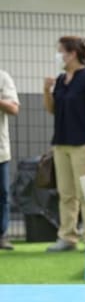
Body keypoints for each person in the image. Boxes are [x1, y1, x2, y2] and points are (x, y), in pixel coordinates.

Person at [42, 36, 85, 252]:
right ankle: (67, 237)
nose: (58, 55)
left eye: (60, 50)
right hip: (61, 144)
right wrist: (46, 90)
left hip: (83, 145)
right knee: (66, 193)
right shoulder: (61, 79)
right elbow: (53, 110)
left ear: (72, 53)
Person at [0, 69, 20, 250]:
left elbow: (14, 108)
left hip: (1, 150)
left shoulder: (3, 77)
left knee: (2, 195)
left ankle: (1, 235)